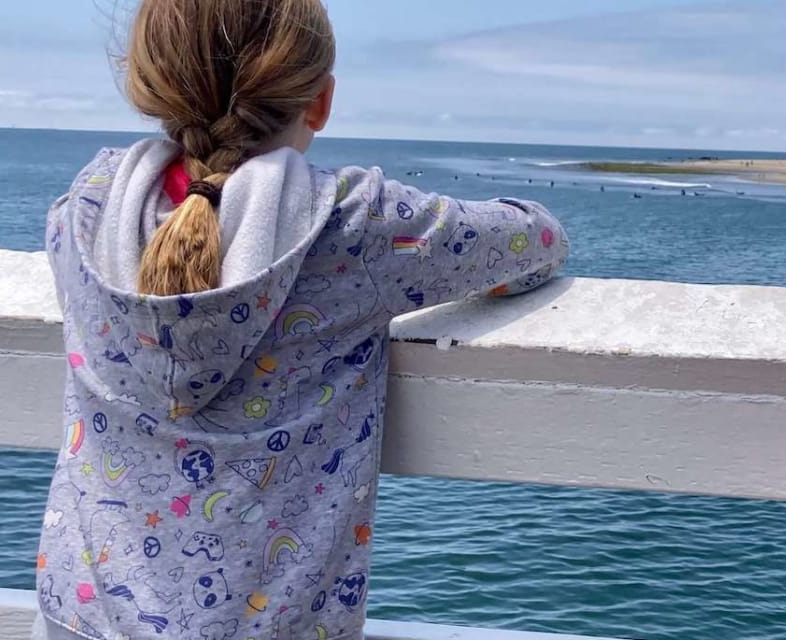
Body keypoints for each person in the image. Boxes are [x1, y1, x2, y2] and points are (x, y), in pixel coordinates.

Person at [34, 1, 567, 638]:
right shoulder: (351, 224)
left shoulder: (86, 209)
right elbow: (535, 241)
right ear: (320, 102)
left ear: (149, 86)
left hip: (83, 618)